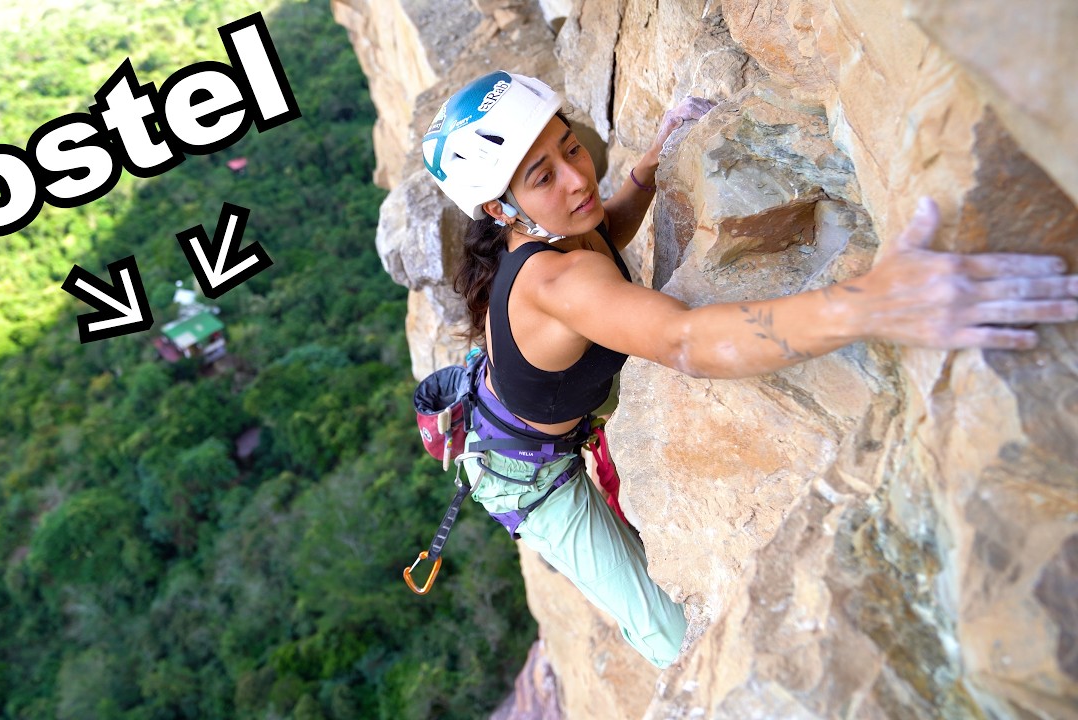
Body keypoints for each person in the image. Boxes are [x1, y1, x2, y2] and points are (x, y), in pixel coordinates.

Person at [419, 71, 1078, 668]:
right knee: (671, 639)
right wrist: (873, 303)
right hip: (528, 475)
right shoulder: (556, 282)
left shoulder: (559, 232)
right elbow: (683, 339)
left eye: (569, 146)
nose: (576, 176)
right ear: (502, 212)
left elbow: (603, 237)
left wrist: (649, 168)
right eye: (542, 176)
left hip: (539, 410)